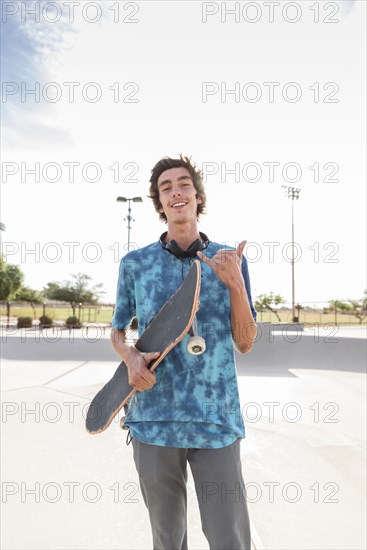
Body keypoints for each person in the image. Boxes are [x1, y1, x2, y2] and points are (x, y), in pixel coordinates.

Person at [110, 155, 257, 550]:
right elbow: (118, 329)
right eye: (166, 187)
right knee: (167, 539)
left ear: (197, 195)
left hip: (216, 420)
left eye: (184, 183)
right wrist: (130, 358)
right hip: (154, 419)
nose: (176, 191)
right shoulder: (136, 264)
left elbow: (245, 341)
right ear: (159, 203)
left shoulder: (230, 259)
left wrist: (235, 286)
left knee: (230, 538)